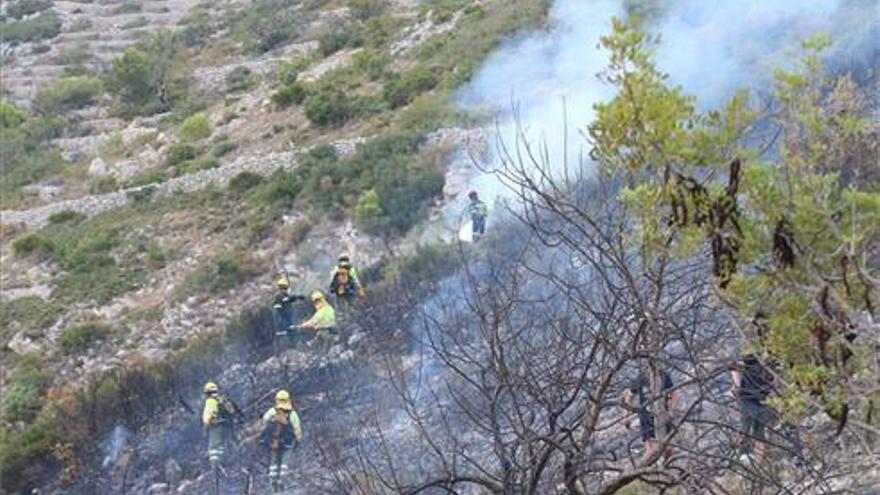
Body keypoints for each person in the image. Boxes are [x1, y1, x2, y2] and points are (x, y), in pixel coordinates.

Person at [623, 369, 677, 465]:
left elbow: (673, 393)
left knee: (668, 449)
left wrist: (671, 411)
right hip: (646, 417)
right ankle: (647, 470)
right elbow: (629, 395)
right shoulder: (641, 377)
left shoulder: (664, 376)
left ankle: (660, 467)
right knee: (652, 450)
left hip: (662, 415)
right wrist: (627, 415)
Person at [731, 353, 776, 463]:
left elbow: (776, 375)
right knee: (748, 425)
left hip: (761, 395)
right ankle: (745, 454)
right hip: (750, 395)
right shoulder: (753, 355)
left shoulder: (768, 356)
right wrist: (738, 387)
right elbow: (734, 367)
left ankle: (756, 460)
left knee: (757, 429)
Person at [260, 390, 304, 493]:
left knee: (274, 464)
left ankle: (273, 484)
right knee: (284, 464)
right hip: (288, 443)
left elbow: (264, 421)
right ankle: (283, 483)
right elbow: (297, 428)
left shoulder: (272, 411)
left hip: (274, 442)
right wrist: (298, 440)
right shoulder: (292, 414)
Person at [201, 382, 241, 468]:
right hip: (227, 425)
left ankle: (215, 468)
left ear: (206, 393)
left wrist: (206, 425)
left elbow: (208, 415)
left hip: (216, 426)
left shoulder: (210, 401)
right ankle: (229, 464)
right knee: (224, 446)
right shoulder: (223, 399)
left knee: (214, 449)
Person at [273, 276, 304, 343]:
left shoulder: (280, 296)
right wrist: (298, 297)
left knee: (290, 332)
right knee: (287, 333)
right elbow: (287, 300)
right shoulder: (281, 296)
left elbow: (288, 300)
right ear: (286, 287)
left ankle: (292, 343)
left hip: (284, 320)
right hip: (283, 321)